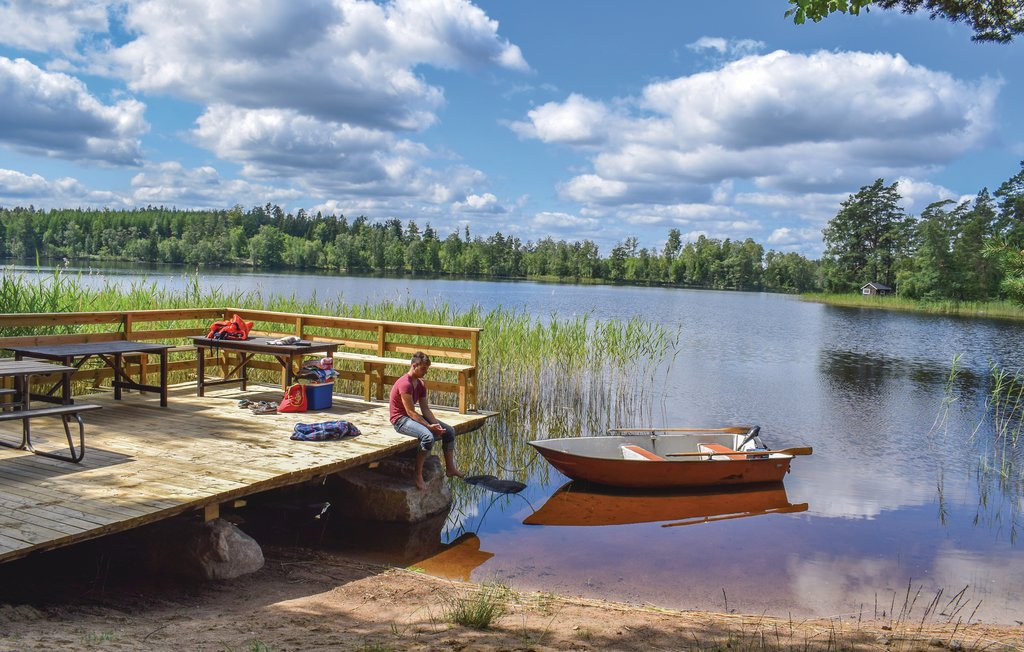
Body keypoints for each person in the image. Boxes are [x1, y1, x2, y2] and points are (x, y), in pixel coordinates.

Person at [389, 351, 464, 490]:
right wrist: (429, 428)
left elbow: (425, 410)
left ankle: (450, 468)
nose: (425, 372)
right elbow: (410, 412)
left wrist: (435, 424)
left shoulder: (421, 384)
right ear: (414, 366)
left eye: (426, 369)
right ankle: (417, 474)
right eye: (423, 369)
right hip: (400, 420)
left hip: (411, 417)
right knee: (428, 437)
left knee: (449, 432)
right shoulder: (404, 384)